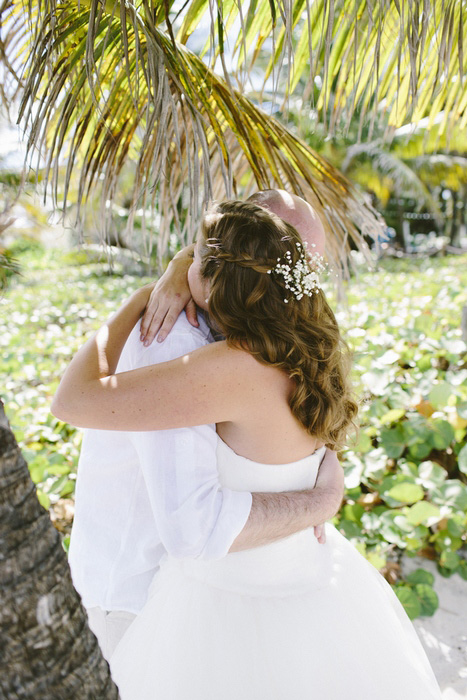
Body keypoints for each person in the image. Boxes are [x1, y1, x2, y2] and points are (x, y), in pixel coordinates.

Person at [52, 200, 442, 699]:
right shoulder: (309, 347)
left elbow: (72, 401)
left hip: (209, 599)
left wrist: (142, 295)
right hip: (282, 583)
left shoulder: (224, 365)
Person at [66, 190, 342, 661]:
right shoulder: (172, 337)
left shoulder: (270, 344)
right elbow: (74, 401)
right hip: (133, 593)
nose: (303, 282)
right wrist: (320, 500)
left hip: (213, 595)